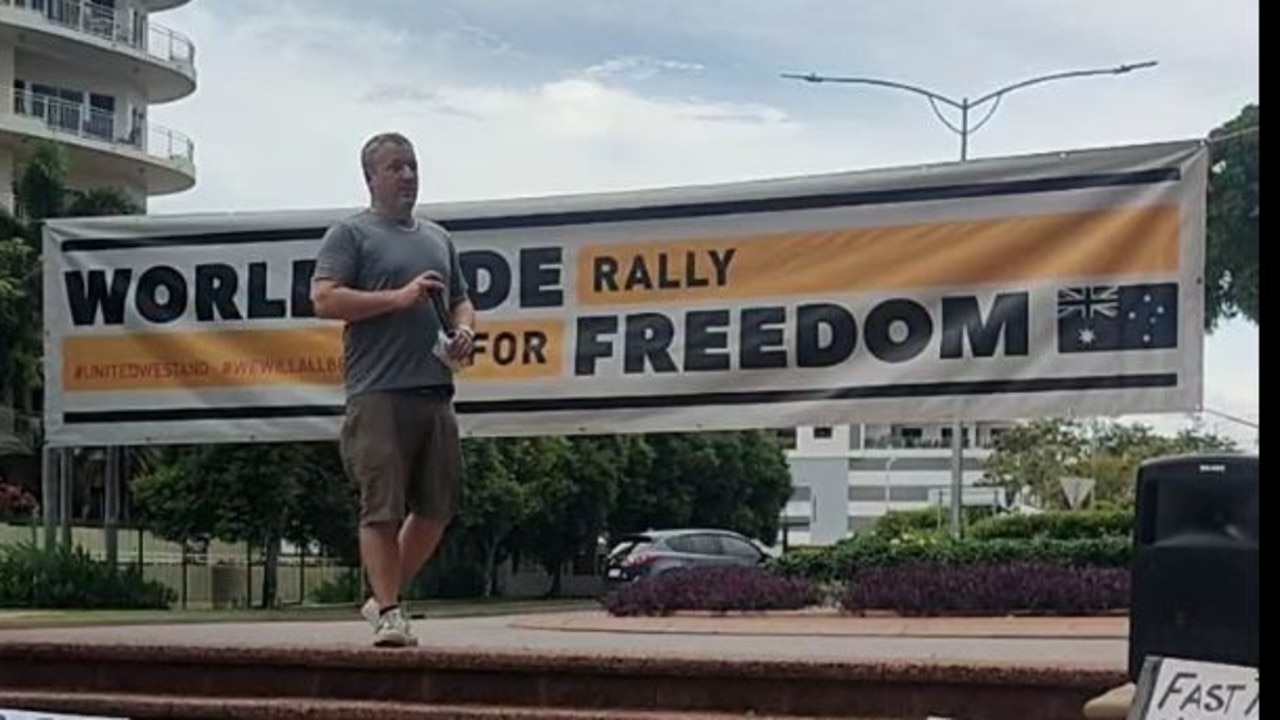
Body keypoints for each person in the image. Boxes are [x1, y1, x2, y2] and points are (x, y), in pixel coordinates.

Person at [311, 132, 475, 647]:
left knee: (437, 509)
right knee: (381, 507)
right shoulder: (350, 234)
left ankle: (383, 594)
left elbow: (462, 301)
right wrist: (398, 298)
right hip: (378, 393)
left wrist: (464, 332)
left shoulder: (438, 237)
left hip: (435, 392)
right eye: (395, 167)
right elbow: (324, 299)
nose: (407, 176)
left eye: (412, 166)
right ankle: (388, 612)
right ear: (371, 178)